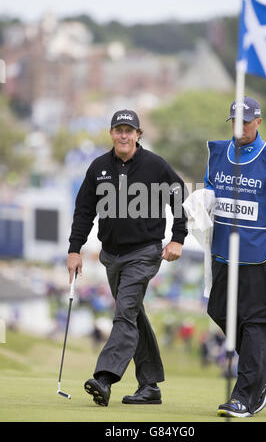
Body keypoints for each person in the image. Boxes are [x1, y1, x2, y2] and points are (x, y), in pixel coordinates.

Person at [67, 109, 188, 406]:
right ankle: (150, 387)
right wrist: (74, 249)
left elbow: (180, 197)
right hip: (111, 255)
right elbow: (84, 211)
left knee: (124, 312)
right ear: (111, 133)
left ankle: (105, 378)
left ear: (138, 135)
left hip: (144, 253)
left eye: (129, 130)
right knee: (132, 314)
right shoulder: (98, 167)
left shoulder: (155, 165)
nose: (123, 135)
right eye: (118, 130)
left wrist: (178, 238)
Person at [203, 96, 266, 418]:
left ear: (258, 122)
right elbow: (208, 196)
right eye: (235, 121)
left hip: (260, 261)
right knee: (219, 311)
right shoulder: (217, 153)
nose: (240, 128)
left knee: (258, 327)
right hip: (222, 256)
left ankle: (243, 397)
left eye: (246, 122)